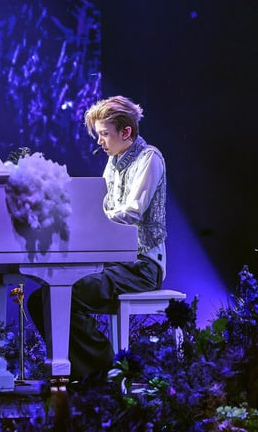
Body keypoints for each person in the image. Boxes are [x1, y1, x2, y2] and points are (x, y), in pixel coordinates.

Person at [28, 95, 167, 381]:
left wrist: (93, 221)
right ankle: (87, 373)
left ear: (125, 131)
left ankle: (105, 373)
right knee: (41, 298)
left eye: (104, 134)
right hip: (115, 263)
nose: (100, 142)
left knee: (69, 293)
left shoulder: (149, 158)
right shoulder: (113, 162)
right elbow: (102, 206)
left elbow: (132, 212)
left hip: (142, 266)